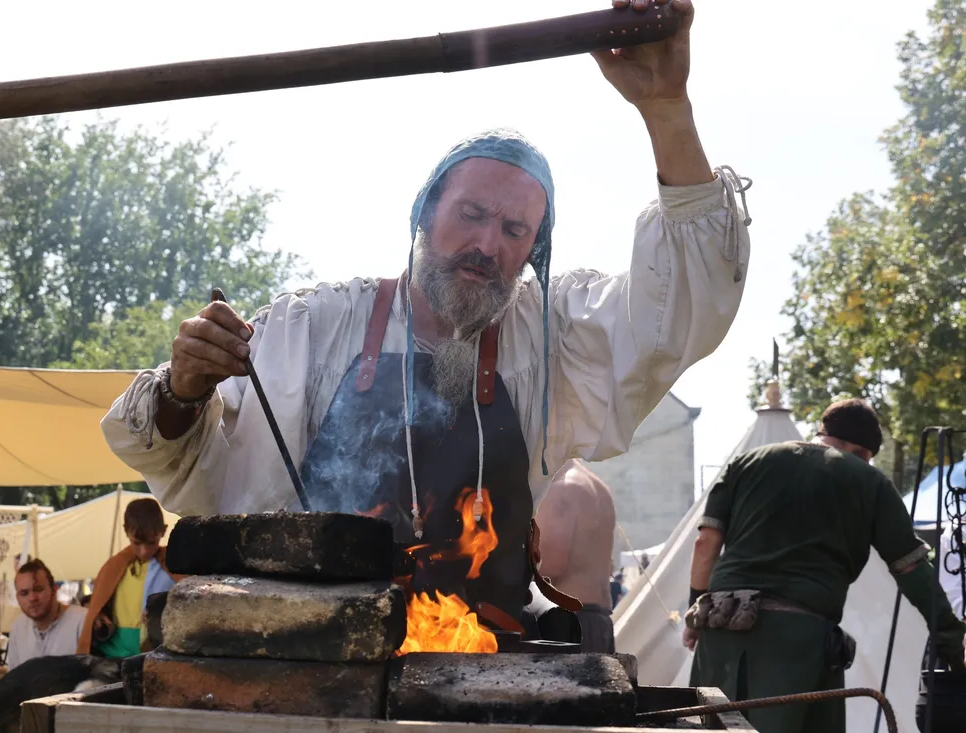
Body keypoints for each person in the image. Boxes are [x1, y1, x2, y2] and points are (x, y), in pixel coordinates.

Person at [102, 0, 751, 630]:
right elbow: (202, 479)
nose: (488, 246)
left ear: (534, 249)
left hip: (477, 660)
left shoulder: (546, 338)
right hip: (311, 653)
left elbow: (682, 310)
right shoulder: (316, 329)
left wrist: (666, 110)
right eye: (471, 215)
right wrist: (183, 390)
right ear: (422, 215)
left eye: (515, 229)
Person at [684, 398, 966, 733]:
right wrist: (952, 639)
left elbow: (705, 544)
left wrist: (694, 614)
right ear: (863, 453)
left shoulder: (744, 463)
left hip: (720, 630)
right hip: (796, 645)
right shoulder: (868, 482)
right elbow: (910, 569)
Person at [531, 459, 617, 652]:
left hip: (573, 622)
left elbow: (551, 564)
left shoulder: (561, 489)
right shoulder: (598, 487)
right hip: (598, 618)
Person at [76, 498, 179, 658]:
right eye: (136, 543)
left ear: (164, 531)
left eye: (151, 542)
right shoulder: (114, 566)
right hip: (115, 655)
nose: (144, 551)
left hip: (162, 653)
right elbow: (98, 605)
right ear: (126, 532)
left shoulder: (176, 565)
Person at [6, 559, 87, 670]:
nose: (32, 598)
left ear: (54, 590)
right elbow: (14, 680)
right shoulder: (18, 627)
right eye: (24, 593)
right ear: (17, 597)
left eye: (38, 589)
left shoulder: (82, 620)